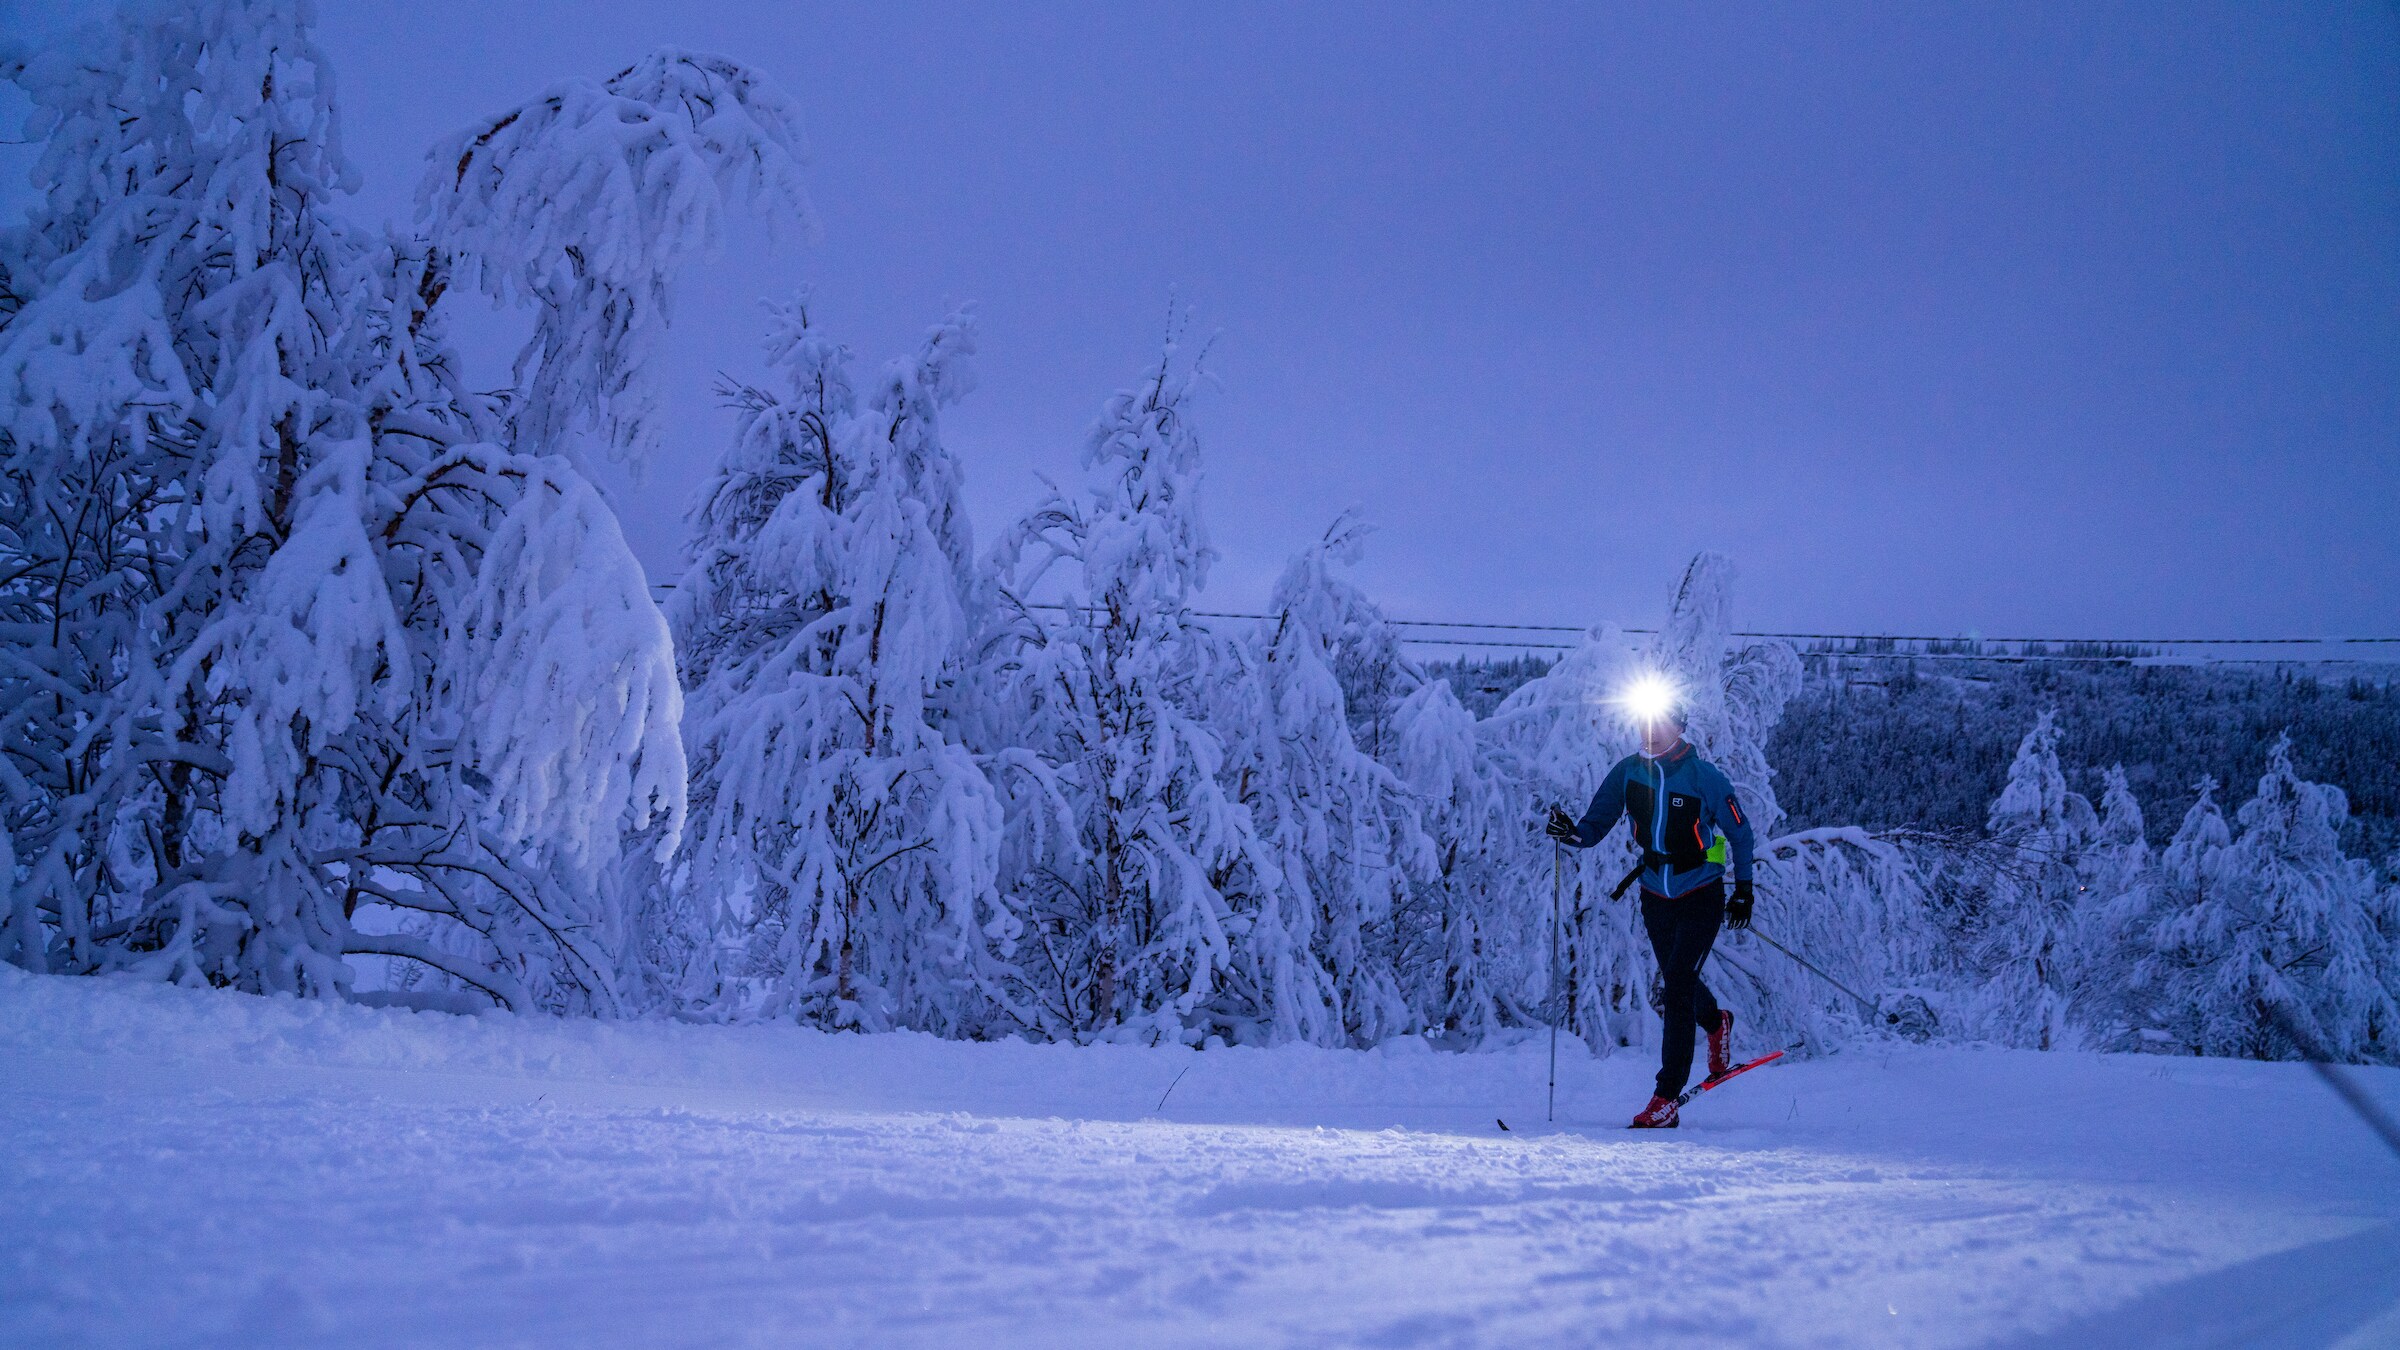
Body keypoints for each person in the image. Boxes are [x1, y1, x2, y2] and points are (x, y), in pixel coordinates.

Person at [1545, 693, 1756, 1128]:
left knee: (1677, 987)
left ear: (1678, 727)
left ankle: (1666, 1098)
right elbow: (1594, 826)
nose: (1649, 732)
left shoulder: (1704, 777)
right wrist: (1570, 834)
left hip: (1701, 892)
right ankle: (1717, 1023)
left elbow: (1741, 834)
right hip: (1654, 896)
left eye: (1659, 724)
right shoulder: (1627, 773)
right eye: (1644, 723)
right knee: (1680, 981)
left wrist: (1744, 891)